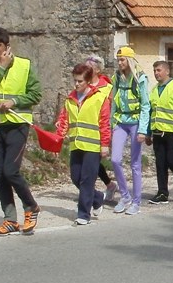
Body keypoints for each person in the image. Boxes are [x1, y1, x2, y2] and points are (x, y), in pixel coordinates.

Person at [0, 27, 42, 236]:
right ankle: (10, 220)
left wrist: (14, 101)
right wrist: (2, 68)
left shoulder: (24, 65)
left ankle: (31, 207)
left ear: (7, 47)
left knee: (10, 171)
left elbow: (35, 94)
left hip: (18, 125)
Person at [55, 63, 111, 225]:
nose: (77, 84)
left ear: (88, 81)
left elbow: (104, 123)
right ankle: (97, 197)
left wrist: (104, 144)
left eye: (80, 81)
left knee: (87, 180)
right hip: (76, 145)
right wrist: (58, 138)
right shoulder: (70, 99)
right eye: (75, 81)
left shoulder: (100, 98)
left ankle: (83, 214)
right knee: (75, 177)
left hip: (93, 146)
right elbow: (64, 120)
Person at [141, 61, 173, 204]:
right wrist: (148, 133)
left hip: (172, 132)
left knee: (172, 160)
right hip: (157, 132)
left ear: (167, 71)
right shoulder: (154, 90)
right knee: (160, 163)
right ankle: (162, 193)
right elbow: (151, 112)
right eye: (154, 71)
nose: (156, 73)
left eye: (159, 70)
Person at [110, 46, 150, 215]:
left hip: (135, 122)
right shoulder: (117, 78)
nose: (120, 63)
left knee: (135, 164)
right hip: (120, 121)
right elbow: (113, 101)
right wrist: (111, 123)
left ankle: (136, 201)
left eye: (122, 60)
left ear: (130, 60)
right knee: (115, 159)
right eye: (118, 60)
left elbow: (145, 105)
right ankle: (124, 195)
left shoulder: (139, 78)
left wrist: (142, 130)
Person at [85, 54, 118, 202]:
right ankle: (109, 185)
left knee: (92, 162)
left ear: (98, 70)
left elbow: (112, 109)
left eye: (89, 67)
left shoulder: (108, 87)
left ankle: (89, 194)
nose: (86, 70)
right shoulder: (83, 85)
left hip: (102, 129)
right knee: (92, 162)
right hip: (85, 129)